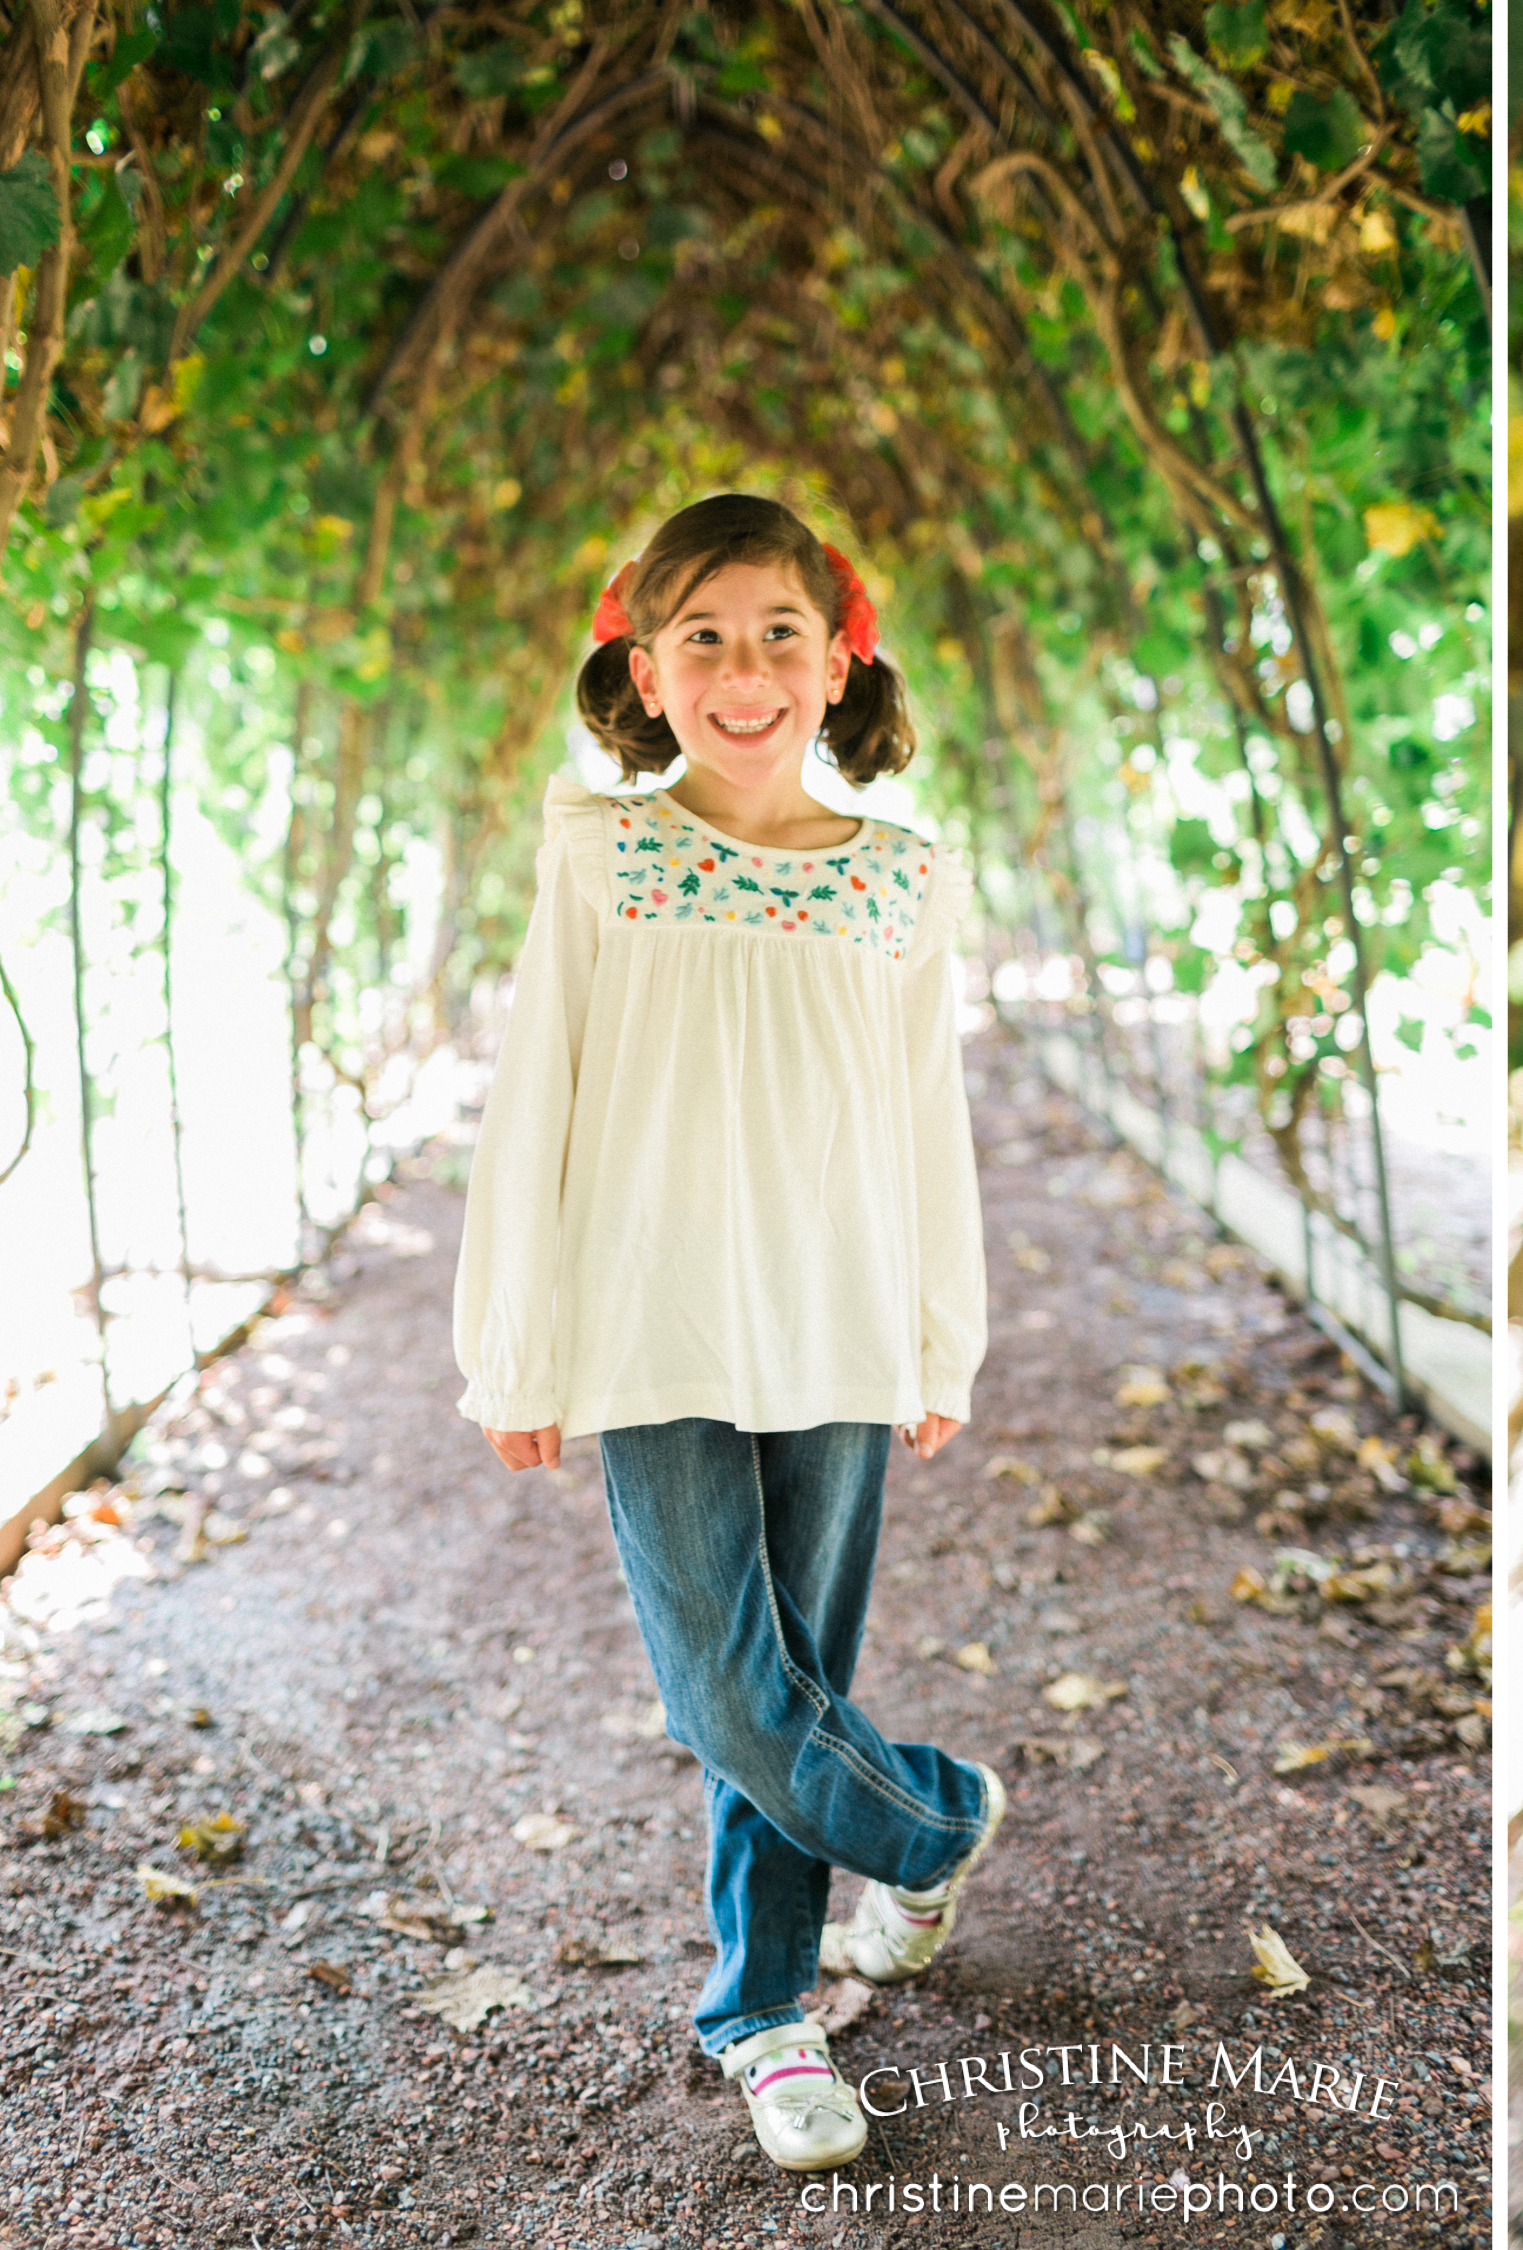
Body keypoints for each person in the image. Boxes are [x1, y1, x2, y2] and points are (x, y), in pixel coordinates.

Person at [450, 492, 999, 2174]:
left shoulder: (898, 880)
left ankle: (765, 2014)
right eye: (704, 637)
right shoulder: (600, 851)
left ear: (839, 665)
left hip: (834, 1324)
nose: (745, 671)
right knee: (722, 1685)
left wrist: (934, 1337)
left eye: (779, 635)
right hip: (649, 1322)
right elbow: (535, 1094)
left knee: (797, 1676)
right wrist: (516, 1344)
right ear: (642, 662)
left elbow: (925, 1120)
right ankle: (935, 1820)